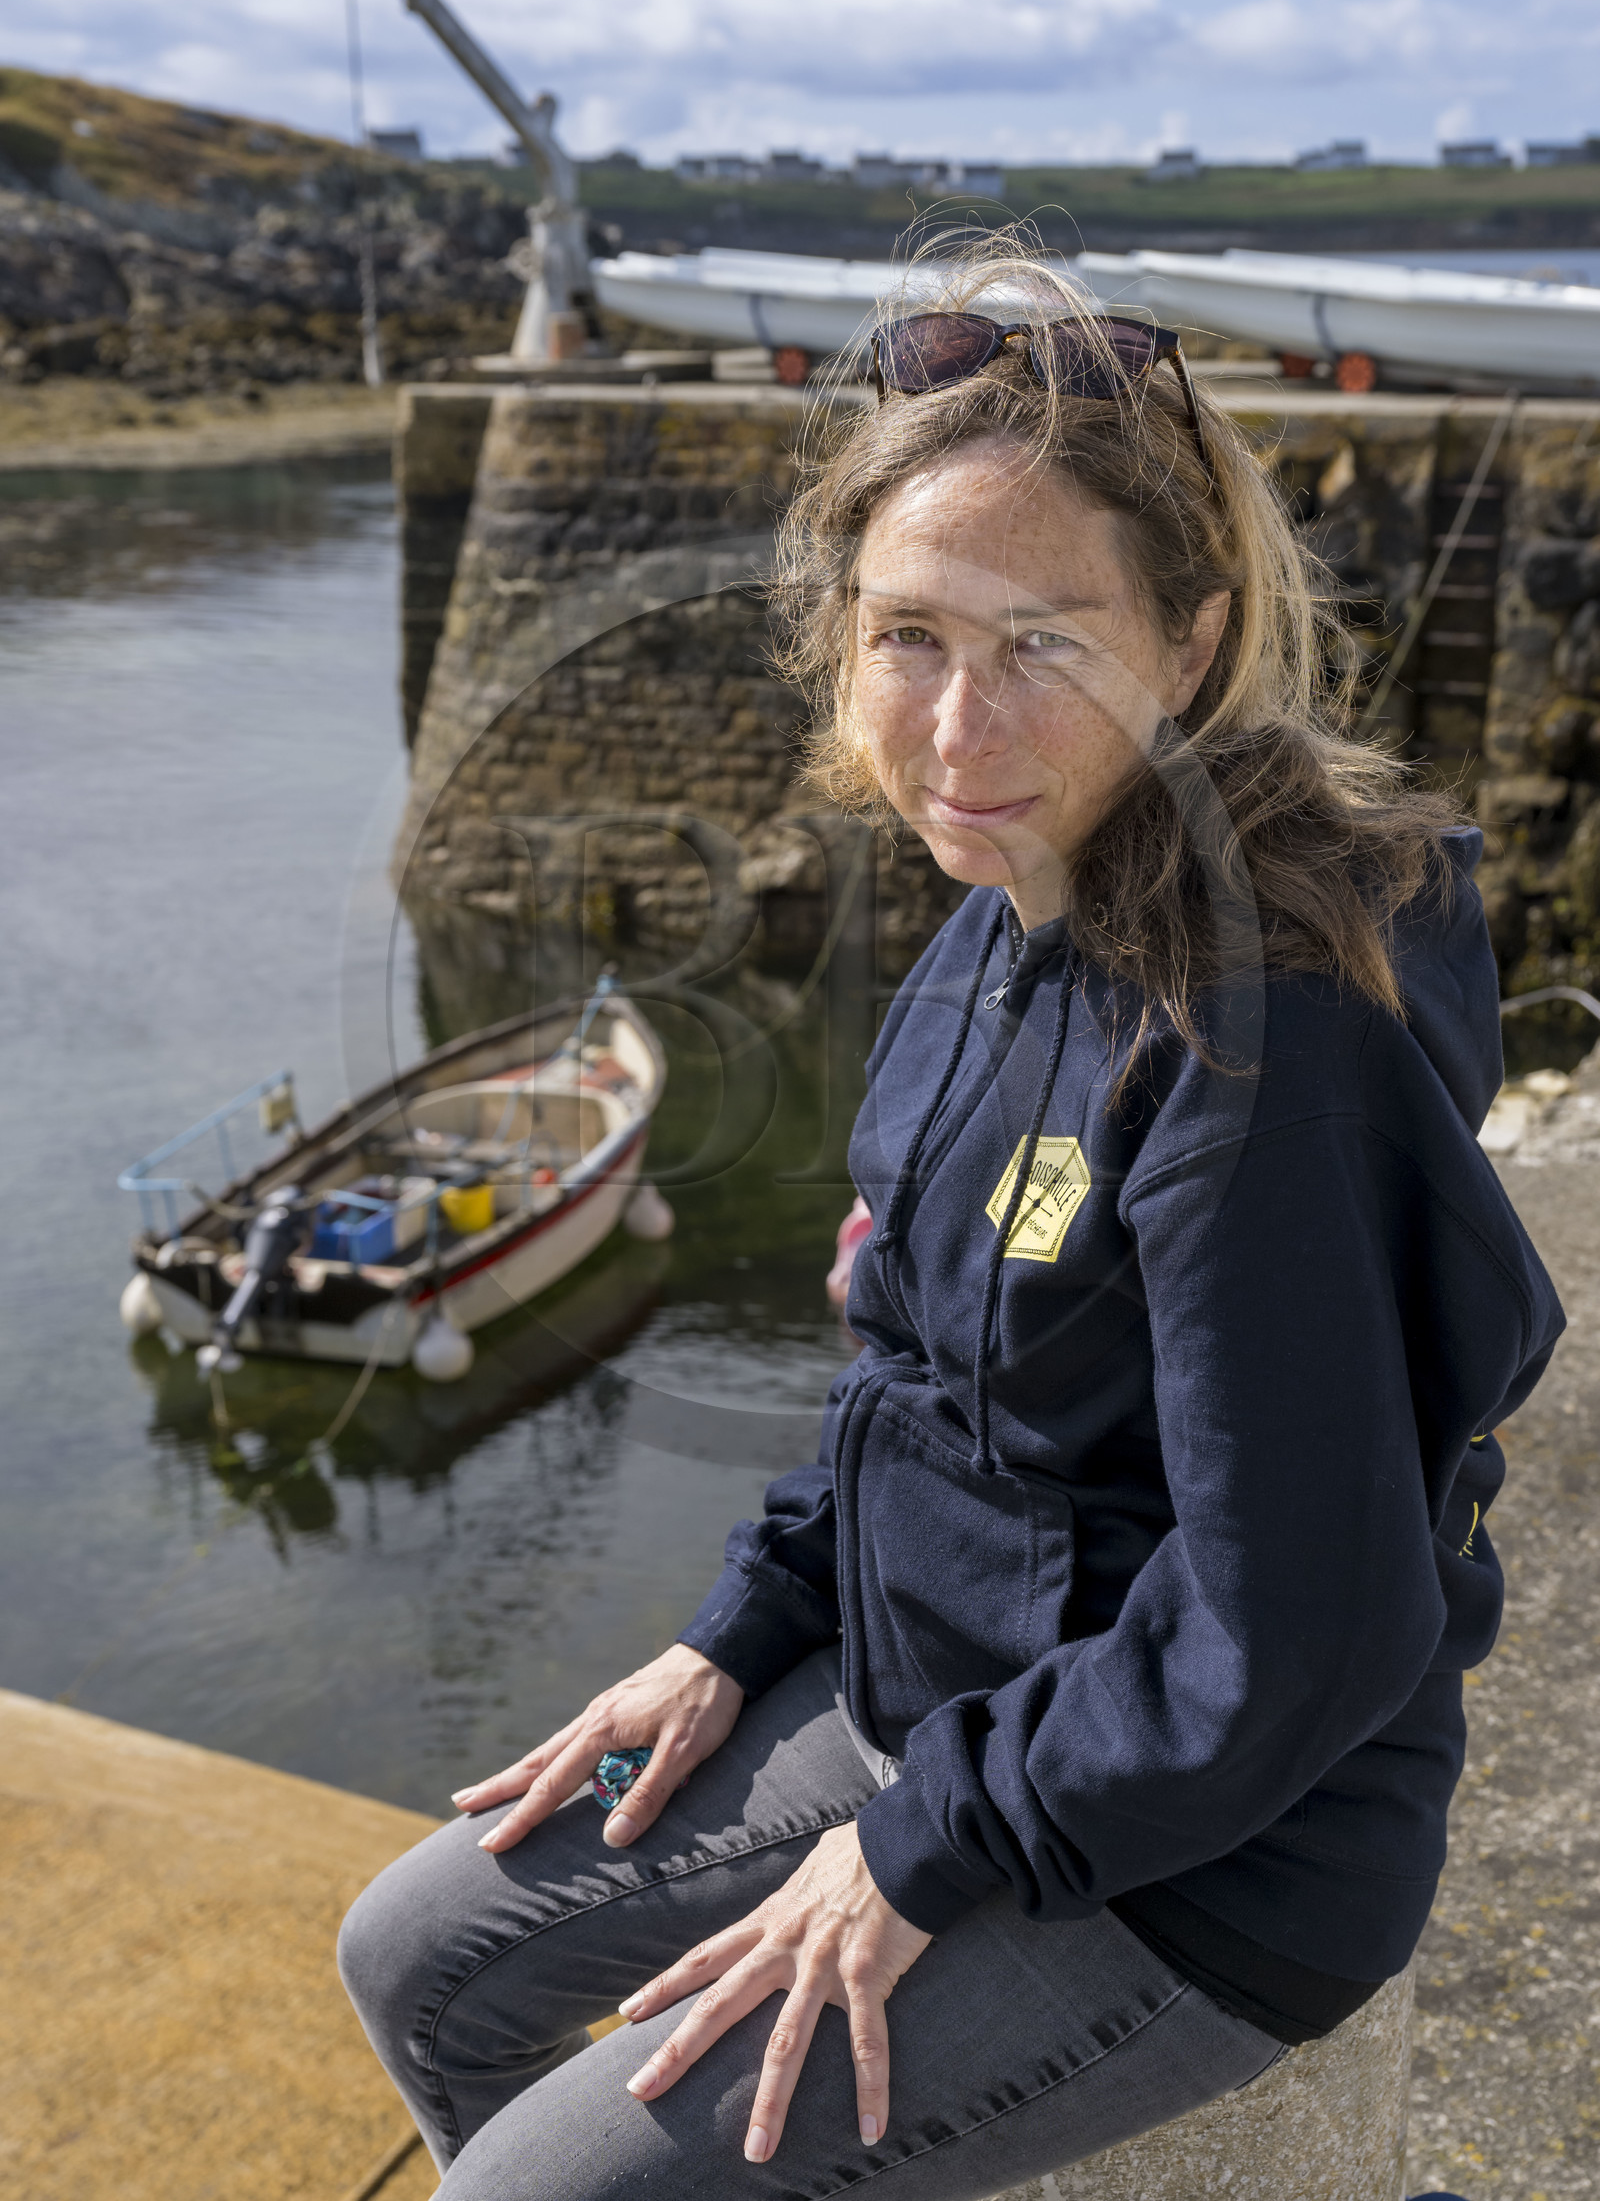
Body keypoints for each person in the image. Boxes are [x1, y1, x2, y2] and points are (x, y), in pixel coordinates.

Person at [338, 248, 1562, 2200]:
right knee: (411, 1952)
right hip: (947, 1700)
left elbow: (1299, 1629)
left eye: (1041, 644)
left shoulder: (1254, 1053)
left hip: (1204, 1856)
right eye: (910, 637)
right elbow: (909, 1365)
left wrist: (916, 1852)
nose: (957, 729)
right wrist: (740, 1632)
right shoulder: (1002, 927)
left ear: (1189, 644)